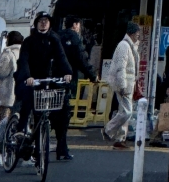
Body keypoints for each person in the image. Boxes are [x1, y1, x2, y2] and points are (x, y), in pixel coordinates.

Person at [17, 12, 73, 161]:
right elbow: (24, 60)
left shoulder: (54, 39)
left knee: (46, 113)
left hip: (46, 78)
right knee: (28, 103)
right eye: (41, 21)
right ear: (36, 23)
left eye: (46, 21)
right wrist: (28, 76)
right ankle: (20, 130)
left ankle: (41, 146)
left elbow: (61, 57)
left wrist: (67, 72)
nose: (43, 23)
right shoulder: (29, 41)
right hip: (30, 79)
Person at [101, 22, 141, 150]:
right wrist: (122, 85)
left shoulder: (130, 46)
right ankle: (108, 129)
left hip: (129, 83)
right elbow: (121, 67)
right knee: (126, 112)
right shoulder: (124, 46)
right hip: (123, 83)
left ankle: (120, 139)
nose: (138, 36)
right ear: (131, 33)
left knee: (124, 111)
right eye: (137, 33)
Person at [59, 18, 96, 89]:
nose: (79, 27)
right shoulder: (74, 37)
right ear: (74, 25)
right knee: (70, 98)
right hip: (70, 75)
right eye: (79, 24)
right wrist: (92, 75)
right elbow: (81, 58)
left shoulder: (57, 35)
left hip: (56, 75)